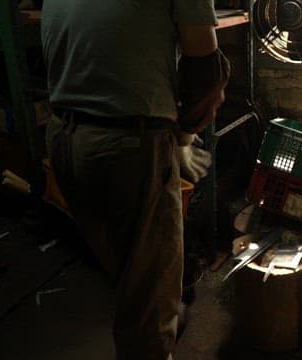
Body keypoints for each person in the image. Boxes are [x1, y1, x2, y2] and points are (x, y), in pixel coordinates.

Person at [41, 1, 230, 359]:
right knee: (147, 301)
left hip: (64, 138)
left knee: (129, 274)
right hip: (123, 145)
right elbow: (206, 76)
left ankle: (154, 317)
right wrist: (185, 134)